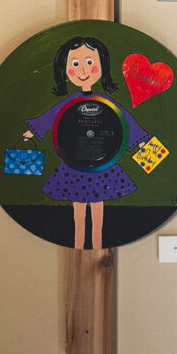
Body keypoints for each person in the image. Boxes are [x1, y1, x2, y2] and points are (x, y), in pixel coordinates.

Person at [22, 36, 149, 249]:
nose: (83, 70)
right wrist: (31, 133)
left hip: (103, 168)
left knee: (98, 209)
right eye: (74, 64)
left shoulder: (107, 102)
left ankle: (97, 243)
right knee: (78, 211)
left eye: (90, 62)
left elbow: (125, 120)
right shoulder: (68, 103)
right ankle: (79, 244)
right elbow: (50, 117)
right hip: (73, 167)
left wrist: (139, 142)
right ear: (64, 70)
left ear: (102, 66)